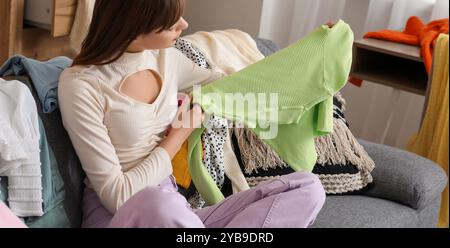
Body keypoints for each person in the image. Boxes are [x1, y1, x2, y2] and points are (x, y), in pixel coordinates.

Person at [58, 0, 326, 228]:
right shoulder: (81, 84)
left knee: (307, 188)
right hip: (124, 215)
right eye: (172, 22)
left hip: (179, 215)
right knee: (156, 201)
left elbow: (238, 87)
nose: (184, 25)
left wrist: (316, 51)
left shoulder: (166, 59)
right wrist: (178, 136)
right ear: (137, 28)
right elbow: (117, 197)